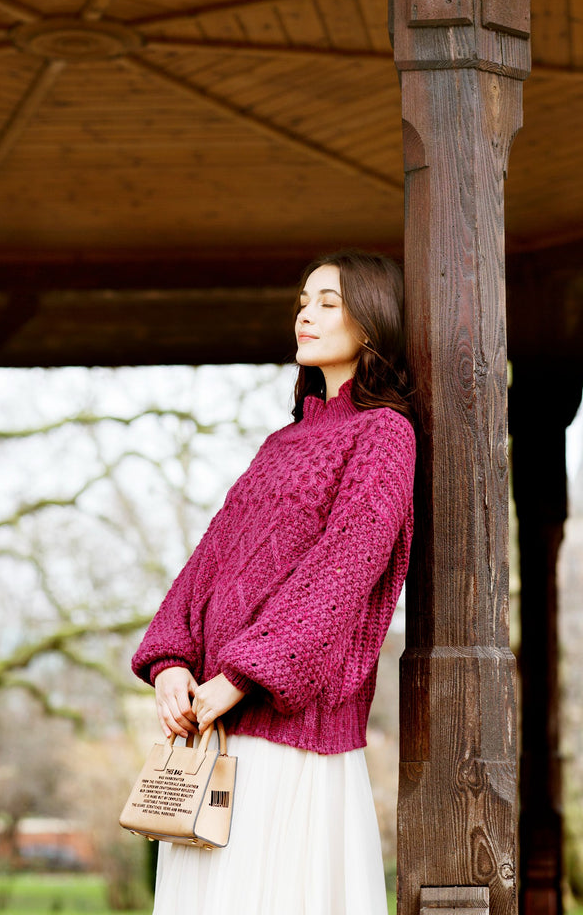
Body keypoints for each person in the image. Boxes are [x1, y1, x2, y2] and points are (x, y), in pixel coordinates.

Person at [132, 249, 416, 915]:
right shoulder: (280, 445)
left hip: (290, 735)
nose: (304, 315)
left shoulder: (384, 434)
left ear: (371, 320)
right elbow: (209, 562)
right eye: (301, 301)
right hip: (215, 734)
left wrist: (238, 679)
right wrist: (170, 661)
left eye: (326, 301)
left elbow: (342, 574)